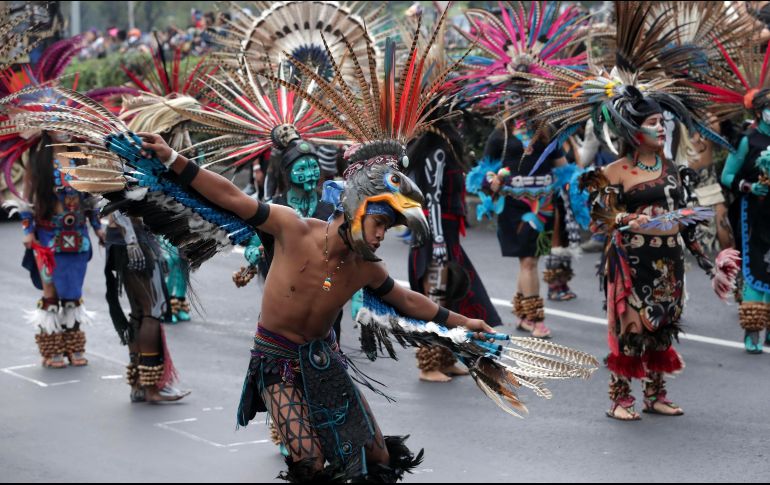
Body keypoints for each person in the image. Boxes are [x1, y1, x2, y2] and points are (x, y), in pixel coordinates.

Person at [407, 121, 504, 382]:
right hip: (435, 235)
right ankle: (428, 365)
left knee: (451, 296)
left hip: (445, 235)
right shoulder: (436, 150)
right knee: (435, 297)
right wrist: (437, 242)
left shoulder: (445, 145)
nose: (462, 123)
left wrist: (487, 181)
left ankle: (446, 358)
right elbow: (432, 199)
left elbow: (465, 178)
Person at [15, 131, 104, 368]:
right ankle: (52, 349)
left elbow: (91, 200)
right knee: (51, 295)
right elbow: (26, 199)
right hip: (47, 238)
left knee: (73, 294)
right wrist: (28, 231)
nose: (63, 130)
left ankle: (74, 347)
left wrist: (98, 229)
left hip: (78, 237)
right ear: (47, 130)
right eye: (57, 125)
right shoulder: (37, 159)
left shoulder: (80, 157)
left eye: (66, 124)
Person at [104, 211, 190, 402]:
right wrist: (132, 241)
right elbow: (120, 199)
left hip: (128, 238)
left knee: (140, 310)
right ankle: (151, 387)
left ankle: (139, 385)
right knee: (152, 309)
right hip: (132, 238)